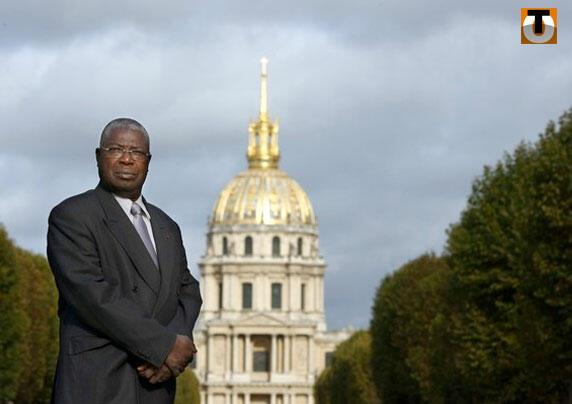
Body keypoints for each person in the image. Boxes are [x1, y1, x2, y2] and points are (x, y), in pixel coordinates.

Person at [47, 118, 202, 404]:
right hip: (99, 383)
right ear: (98, 156)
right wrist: (164, 347)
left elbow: (187, 290)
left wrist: (176, 343)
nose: (127, 159)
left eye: (136, 152)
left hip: (156, 383)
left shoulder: (167, 226)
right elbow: (92, 296)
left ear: (148, 162)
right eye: (116, 149)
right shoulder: (72, 216)